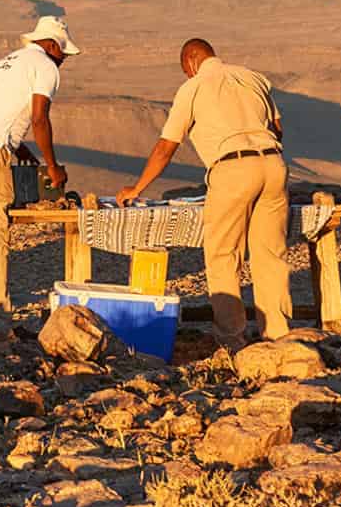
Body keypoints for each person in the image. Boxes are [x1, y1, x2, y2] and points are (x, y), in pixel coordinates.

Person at [115, 38, 291, 349]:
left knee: (224, 256)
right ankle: (277, 334)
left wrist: (137, 187)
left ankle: (231, 338)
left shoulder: (193, 88)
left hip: (233, 168)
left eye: (186, 70)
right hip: (274, 165)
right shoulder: (252, 77)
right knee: (270, 255)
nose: (186, 75)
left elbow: (166, 146)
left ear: (192, 62)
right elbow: (277, 128)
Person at [0, 15, 80, 319]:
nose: (64, 58)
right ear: (51, 45)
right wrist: (52, 167)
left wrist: (19, 147)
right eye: (63, 51)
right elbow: (39, 118)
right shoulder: (46, 67)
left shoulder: (6, 62)